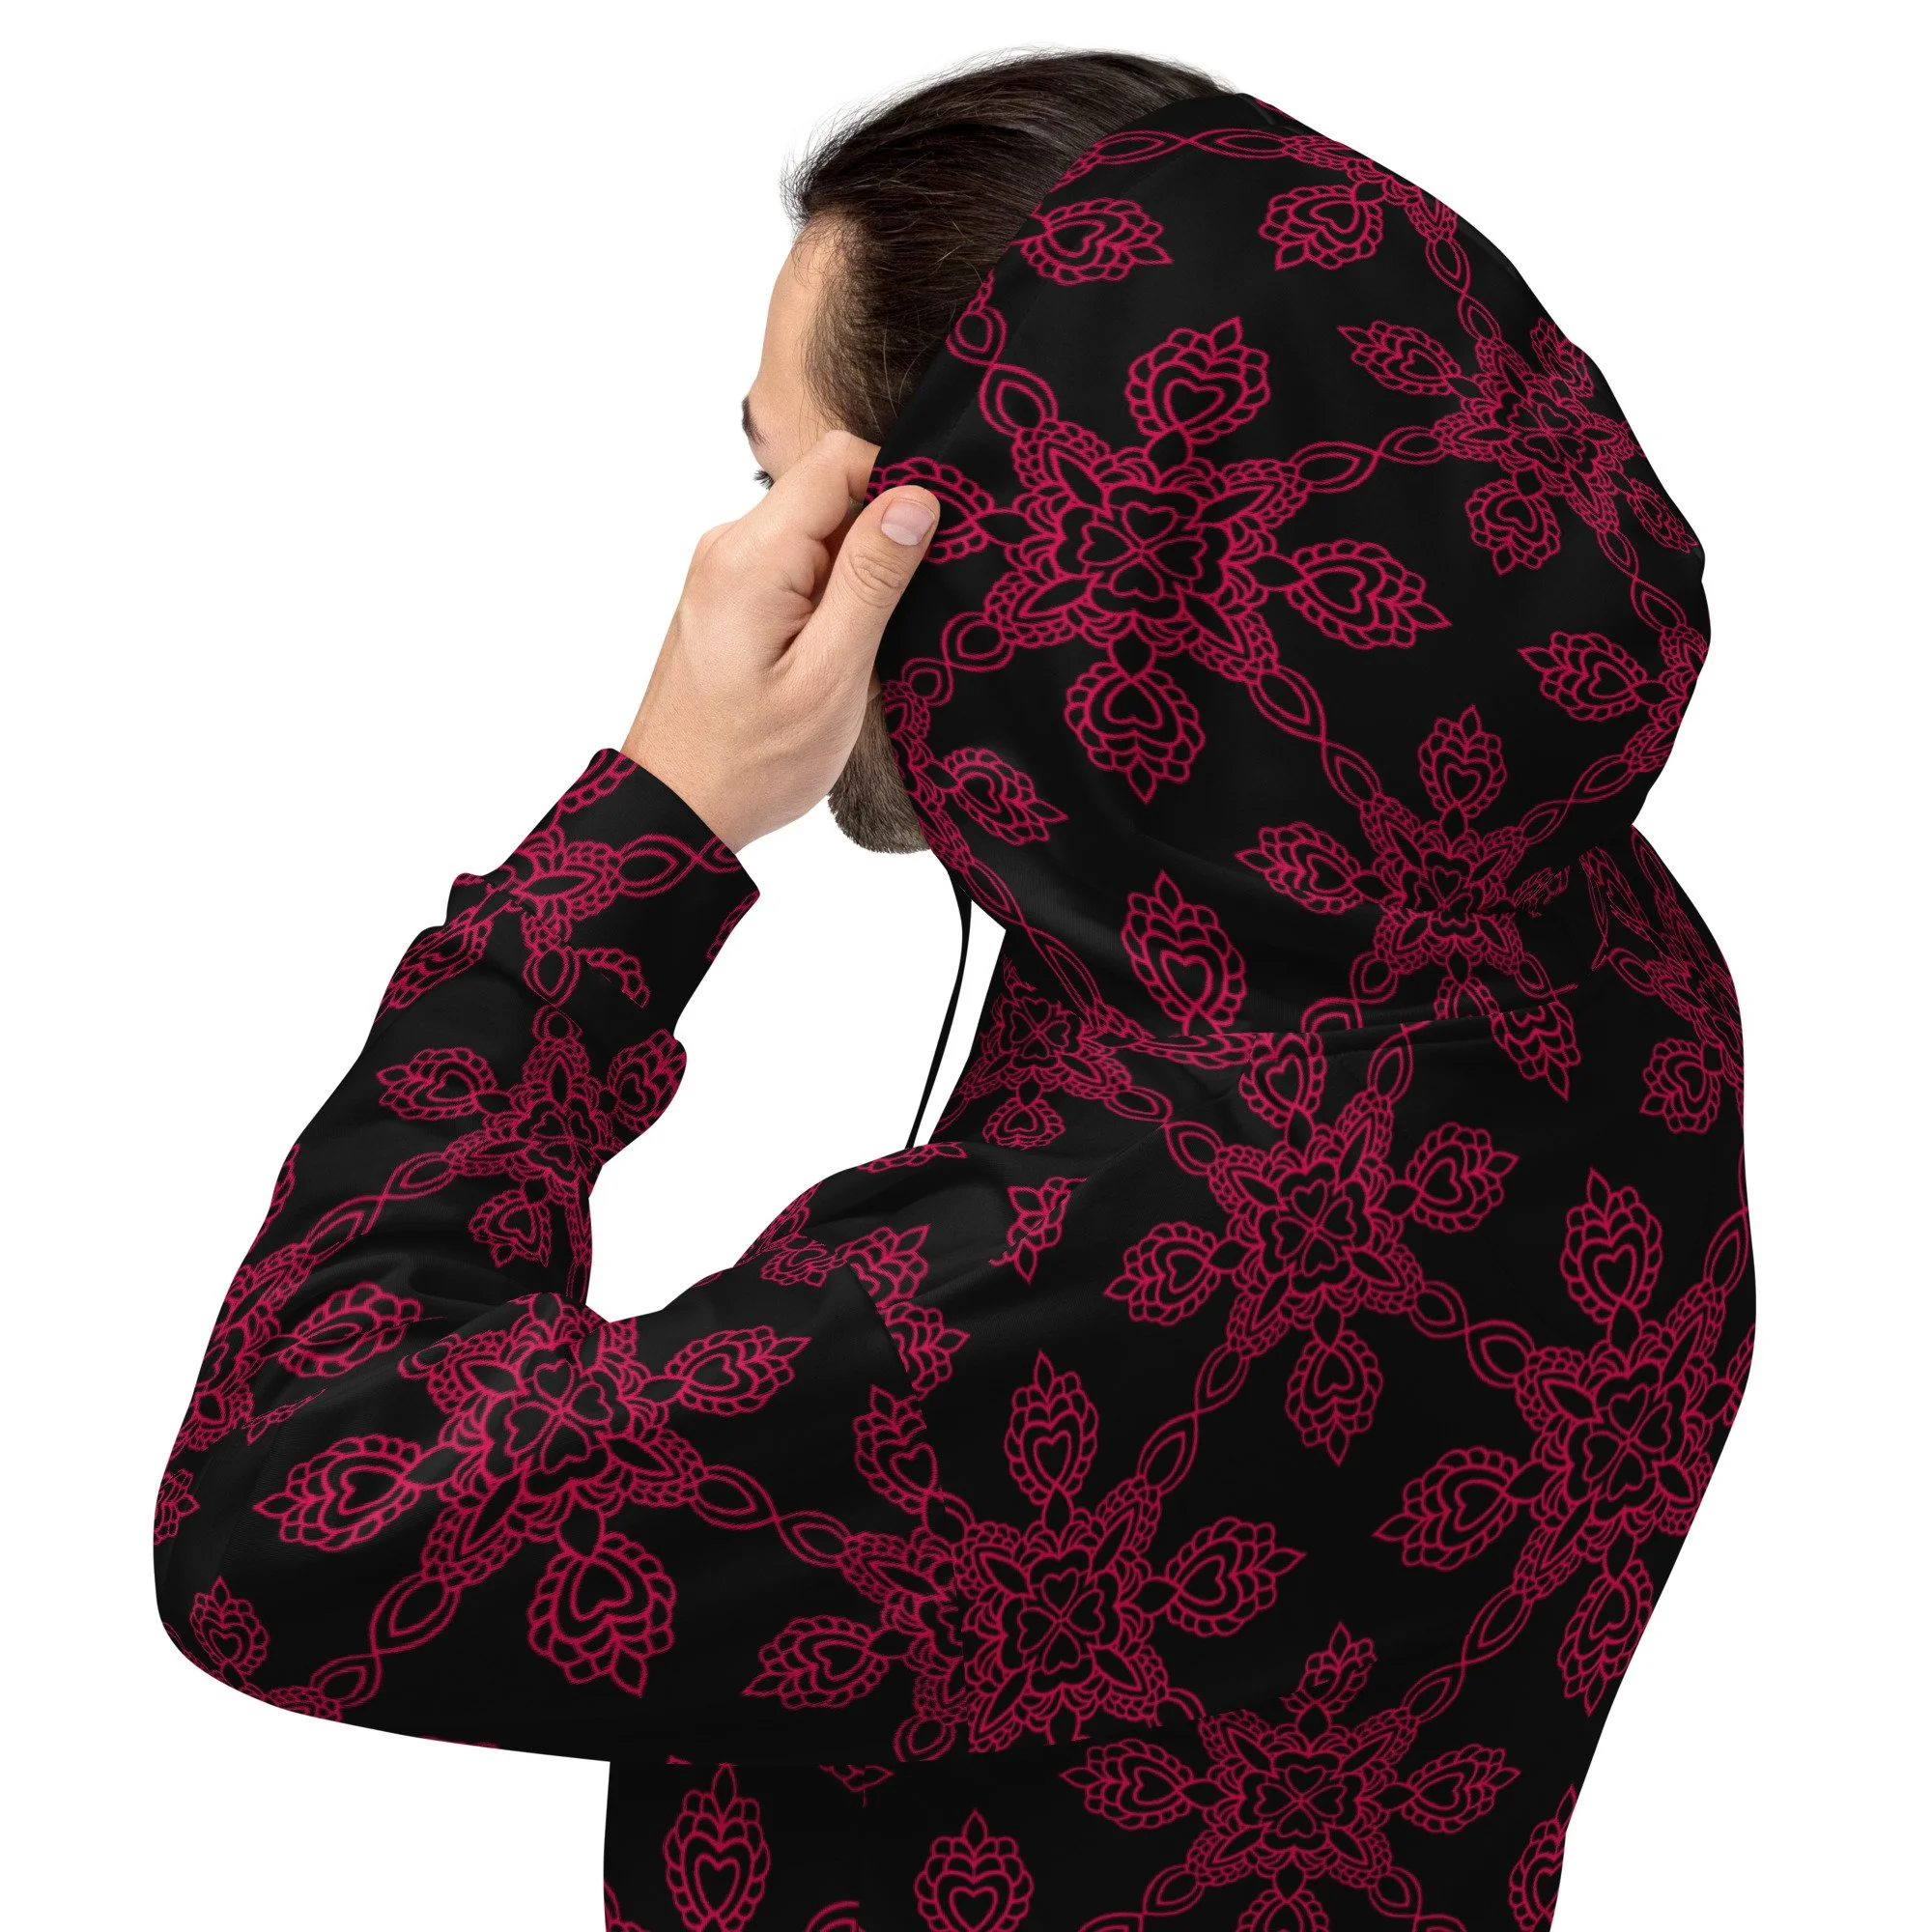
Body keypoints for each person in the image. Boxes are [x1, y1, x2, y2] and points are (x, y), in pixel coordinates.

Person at [155, 51, 1755, 1932]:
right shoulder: (1609, 964)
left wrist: (653, 824)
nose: (748, 563)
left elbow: (288, 1521)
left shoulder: (1118, 1253)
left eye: (793, 486)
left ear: (995, 531)